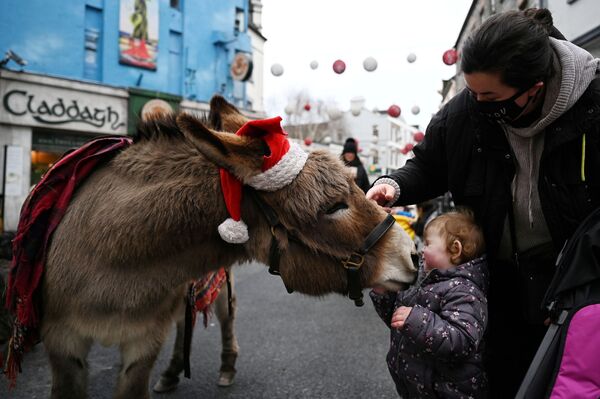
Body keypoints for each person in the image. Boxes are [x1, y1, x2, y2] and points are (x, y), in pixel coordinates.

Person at [366, 8, 600, 398]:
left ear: (534, 87)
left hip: (575, 288)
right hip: (498, 280)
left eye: (489, 96)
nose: (477, 103)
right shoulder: (467, 113)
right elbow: (426, 164)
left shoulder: (592, 107)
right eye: (472, 92)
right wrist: (393, 185)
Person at [370, 210, 488, 398]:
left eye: (427, 244)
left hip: (445, 391)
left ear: (455, 249)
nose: (421, 249)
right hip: (417, 386)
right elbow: (398, 318)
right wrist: (383, 294)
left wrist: (416, 320)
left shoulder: (466, 292)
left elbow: (461, 340)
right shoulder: (425, 280)